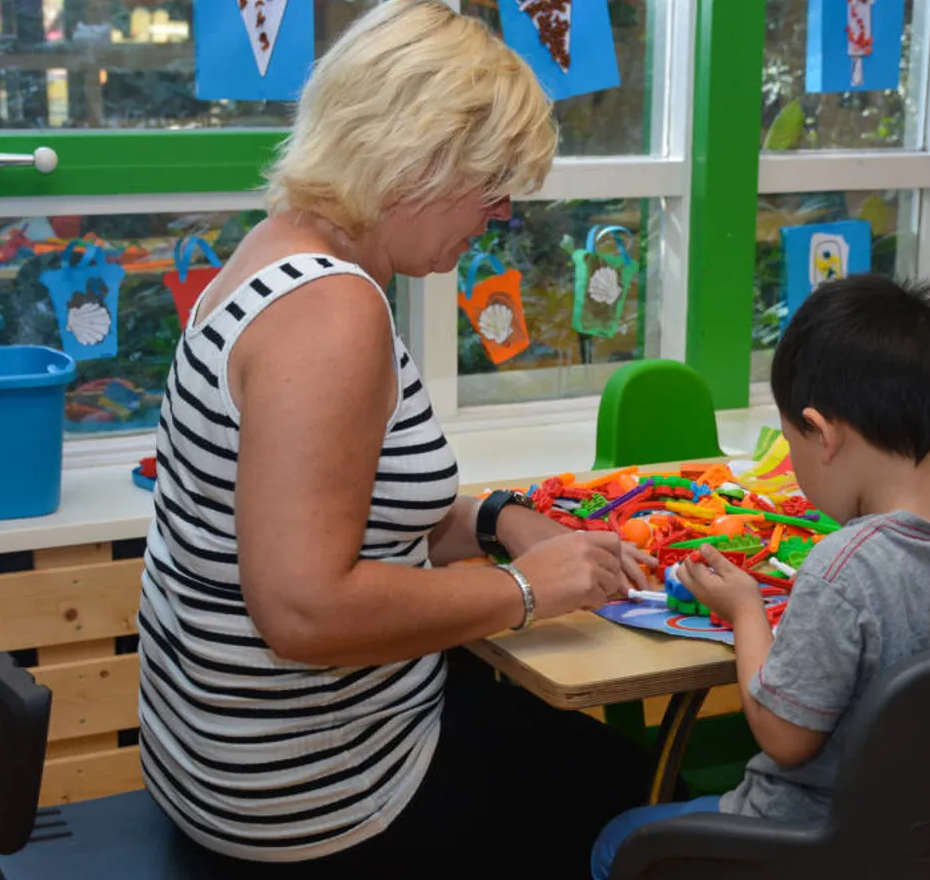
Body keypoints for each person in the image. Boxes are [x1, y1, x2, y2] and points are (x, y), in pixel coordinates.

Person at [137, 3, 659, 878]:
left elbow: (348, 505)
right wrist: (527, 589)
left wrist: (497, 520)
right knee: (627, 796)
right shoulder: (331, 314)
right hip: (312, 796)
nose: (497, 214)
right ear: (415, 160)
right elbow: (305, 610)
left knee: (532, 727)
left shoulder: (273, 251)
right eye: (492, 186)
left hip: (219, 758)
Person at [589, 276, 930, 878]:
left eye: (791, 443)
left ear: (824, 434)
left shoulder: (843, 566)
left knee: (619, 842)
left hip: (810, 843)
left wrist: (747, 611)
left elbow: (784, 738)